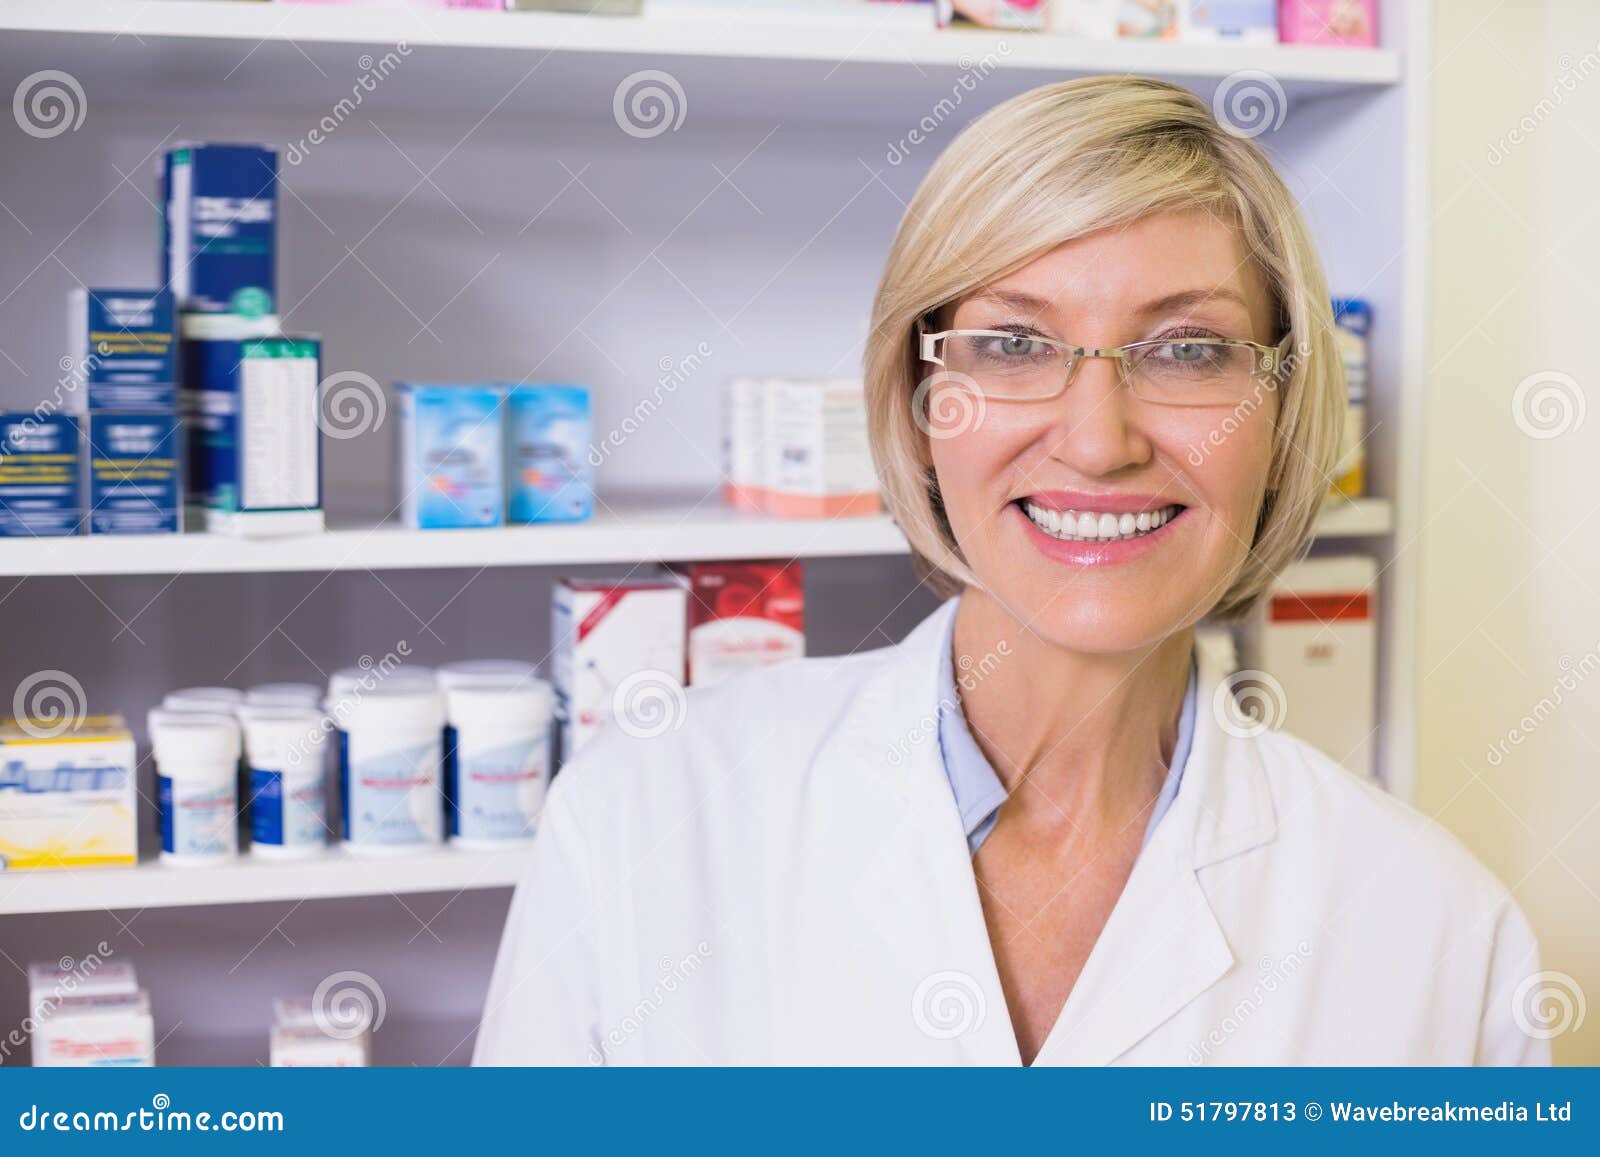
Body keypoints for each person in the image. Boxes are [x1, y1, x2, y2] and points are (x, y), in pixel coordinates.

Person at [475, 76, 1546, 1066]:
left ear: (1281, 411)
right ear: (919, 400)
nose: (1096, 441)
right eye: (1014, 345)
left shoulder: (1438, 934)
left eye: (1184, 350)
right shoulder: (645, 817)